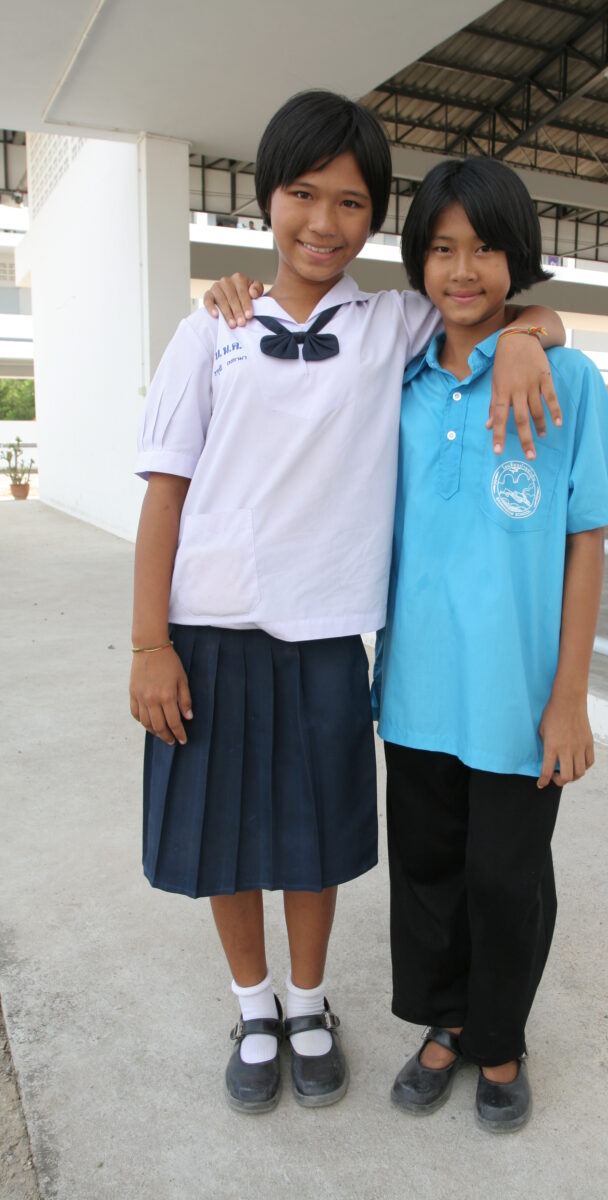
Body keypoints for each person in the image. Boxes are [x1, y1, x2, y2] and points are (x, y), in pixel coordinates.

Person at [130, 90, 565, 1116]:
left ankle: (312, 1004)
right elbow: (163, 492)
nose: (321, 222)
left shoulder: (391, 322)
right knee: (222, 845)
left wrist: (525, 337)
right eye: (300, 194)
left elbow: (497, 306)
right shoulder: (212, 330)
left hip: (328, 639)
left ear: (375, 222)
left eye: (349, 201)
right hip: (210, 629)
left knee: (310, 837)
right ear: (266, 199)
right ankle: (253, 1006)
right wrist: (150, 640)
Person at [371, 157, 608, 1133]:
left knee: (506, 879)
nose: (462, 268)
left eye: (484, 246)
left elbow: (583, 541)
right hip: (414, 693)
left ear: (515, 257)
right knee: (430, 873)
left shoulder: (563, 377)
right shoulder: (392, 379)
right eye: (440, 248)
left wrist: (568, 697)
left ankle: (499, 1041)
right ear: (415, 261)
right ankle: (443, 1024)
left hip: (520, 698)